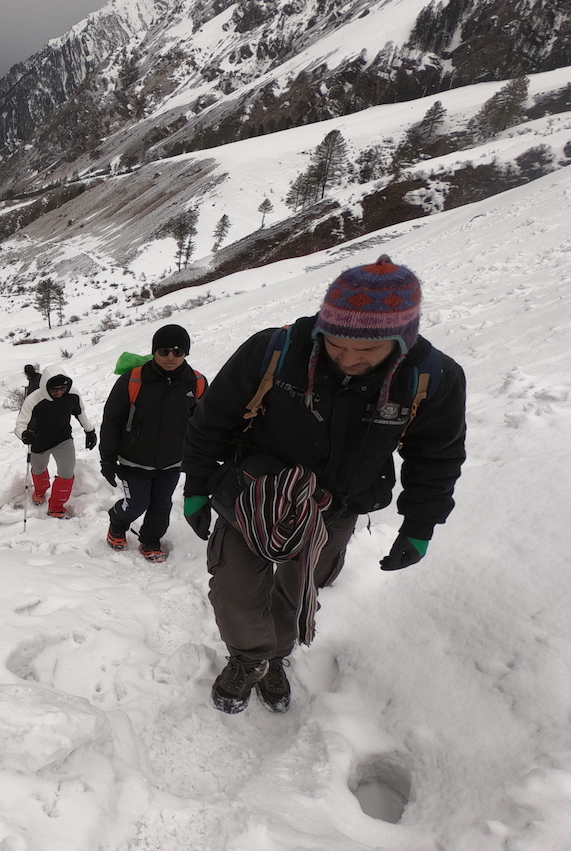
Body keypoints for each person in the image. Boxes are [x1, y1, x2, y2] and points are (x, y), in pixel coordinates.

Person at [180, 255, 466, 715]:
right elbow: (212, 420)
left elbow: (436, 455)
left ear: (401, 340)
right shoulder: (274, 351)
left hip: (335, 511)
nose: (349, 360)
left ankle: (276, 656)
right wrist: (196, 484)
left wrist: (420, 524)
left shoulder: (430, 379)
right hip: (254, 497)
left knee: (298, 594)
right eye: (336, 346)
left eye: (367, 352)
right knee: (234, 590)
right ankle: (249, 659)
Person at [99, 324, 206, 563]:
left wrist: (202, 457)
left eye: (178, 352)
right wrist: (107, 457)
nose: (171, 357)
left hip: (172, 461)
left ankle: (151, 539)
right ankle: (117, 522)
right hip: (133, 460)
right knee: (136, 504)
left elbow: (203, 423)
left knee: (161, 505)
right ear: (154, 351)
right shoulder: (133, 380)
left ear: (186, 353)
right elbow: (112, 419)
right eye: (164, 351)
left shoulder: (196, 383)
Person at [15, 365, 97, 518]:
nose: (59, 392)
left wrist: (89, 431)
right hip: (39, 441)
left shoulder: (72, 395)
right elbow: (20, 425)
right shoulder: (34, 400)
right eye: (54, 390)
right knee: (38, 470)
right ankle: (40, 491)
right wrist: (24, 434)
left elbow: (80, 413)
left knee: (67, 473)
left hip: (63, 438)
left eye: (62, 388)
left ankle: (56, 506)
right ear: (46, 388)